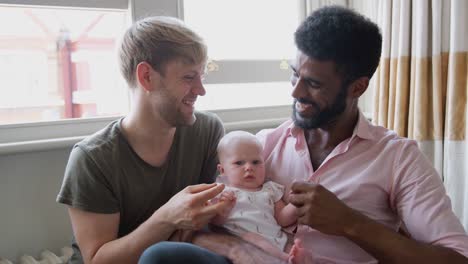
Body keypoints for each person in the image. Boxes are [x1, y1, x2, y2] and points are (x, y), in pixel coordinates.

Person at [193, 5, 468, 264]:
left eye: (313, 83)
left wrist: (350, 223)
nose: (296, 92)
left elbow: (457, 258)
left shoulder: (398, 158)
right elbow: (195, 226)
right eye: (294, 74)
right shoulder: (259, 148)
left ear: (357, 88)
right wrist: (236, 248)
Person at [56, 16, 235, 264]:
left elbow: (207, 223)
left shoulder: (207, 131)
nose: (201, 90)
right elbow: (98, 260)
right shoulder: (92, 159)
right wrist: (166, 218)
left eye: (201, 76)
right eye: (188, 77)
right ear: (147, 77)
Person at [211, 131, 303, 262]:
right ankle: (285, 259)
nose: (249, 167)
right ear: (223, 170)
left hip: (278, 241)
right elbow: (214, 224)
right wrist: (223, 210)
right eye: (239, 163)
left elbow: (282, 218)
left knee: (301, 249)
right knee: (251, 238)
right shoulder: (221, 192)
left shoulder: (270, 189)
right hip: (247, 246)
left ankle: (294, 258)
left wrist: (295, 204)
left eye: (255, 162)